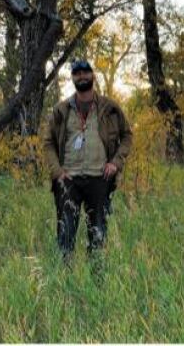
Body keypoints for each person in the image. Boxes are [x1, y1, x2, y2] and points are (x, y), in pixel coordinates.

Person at [42, 59, 132, 260]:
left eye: (85, 72)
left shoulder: (109, 107)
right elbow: (48, 143)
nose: (81, 76)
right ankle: (65, 281)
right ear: (72, 78)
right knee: (65, 235)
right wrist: (58, 172)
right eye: (77, 73)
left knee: (98, 234)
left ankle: (97, 281)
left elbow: (127, 136)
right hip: (68, 180)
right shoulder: (61, 110)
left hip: (99, 178)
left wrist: (115, 163)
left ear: (92, 75)